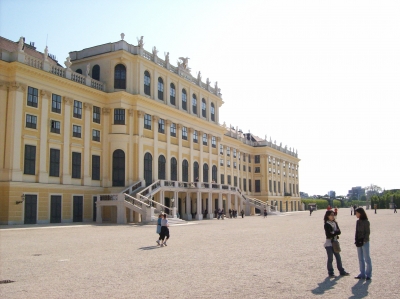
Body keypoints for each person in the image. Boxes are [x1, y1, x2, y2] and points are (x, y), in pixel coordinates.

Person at [323, 210, 349, 277]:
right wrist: (335, 232)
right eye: (331, 215)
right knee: (330, 259)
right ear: (327, 216)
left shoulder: (335, 223)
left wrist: (334, 233)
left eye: (333, 215)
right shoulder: (327, 224)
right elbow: (328, 234)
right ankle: (331, 273)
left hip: (335, 242)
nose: (332, 216)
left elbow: (339, 231)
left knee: (338, 257)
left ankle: (341, 271)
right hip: (329, 243)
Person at [354, 207, 372, 280]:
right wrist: (356, 240)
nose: (356, 214)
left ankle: (368, 274)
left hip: (364, 241)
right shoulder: (358, 222)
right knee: (360, 258)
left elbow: (367, 232)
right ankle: (362, 273)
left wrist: (364, 240)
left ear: (360, 213)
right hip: (359, 241)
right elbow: (356, 232)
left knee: (367, 258)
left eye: (356, 213)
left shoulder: (366, 222)